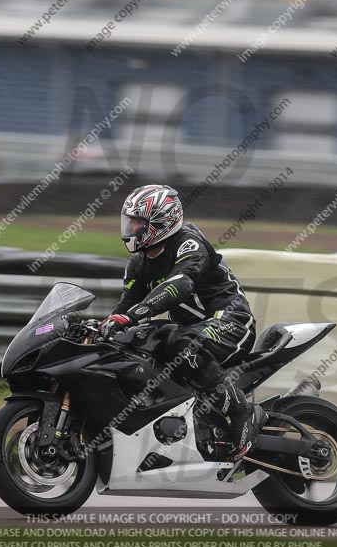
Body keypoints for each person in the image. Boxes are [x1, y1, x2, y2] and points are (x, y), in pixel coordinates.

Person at [99, 183, 268, 460]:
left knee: (179, 341)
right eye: (128, 221)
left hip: (231, 322)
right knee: (140, 343)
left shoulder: (188, 243)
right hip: (193, 330)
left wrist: (132, 315)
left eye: (138, 222)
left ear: (161, 222)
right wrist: (105, 327)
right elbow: (125, 306)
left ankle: (242, 411)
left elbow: (182, 283)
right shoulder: (138, 263)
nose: (129, 228)